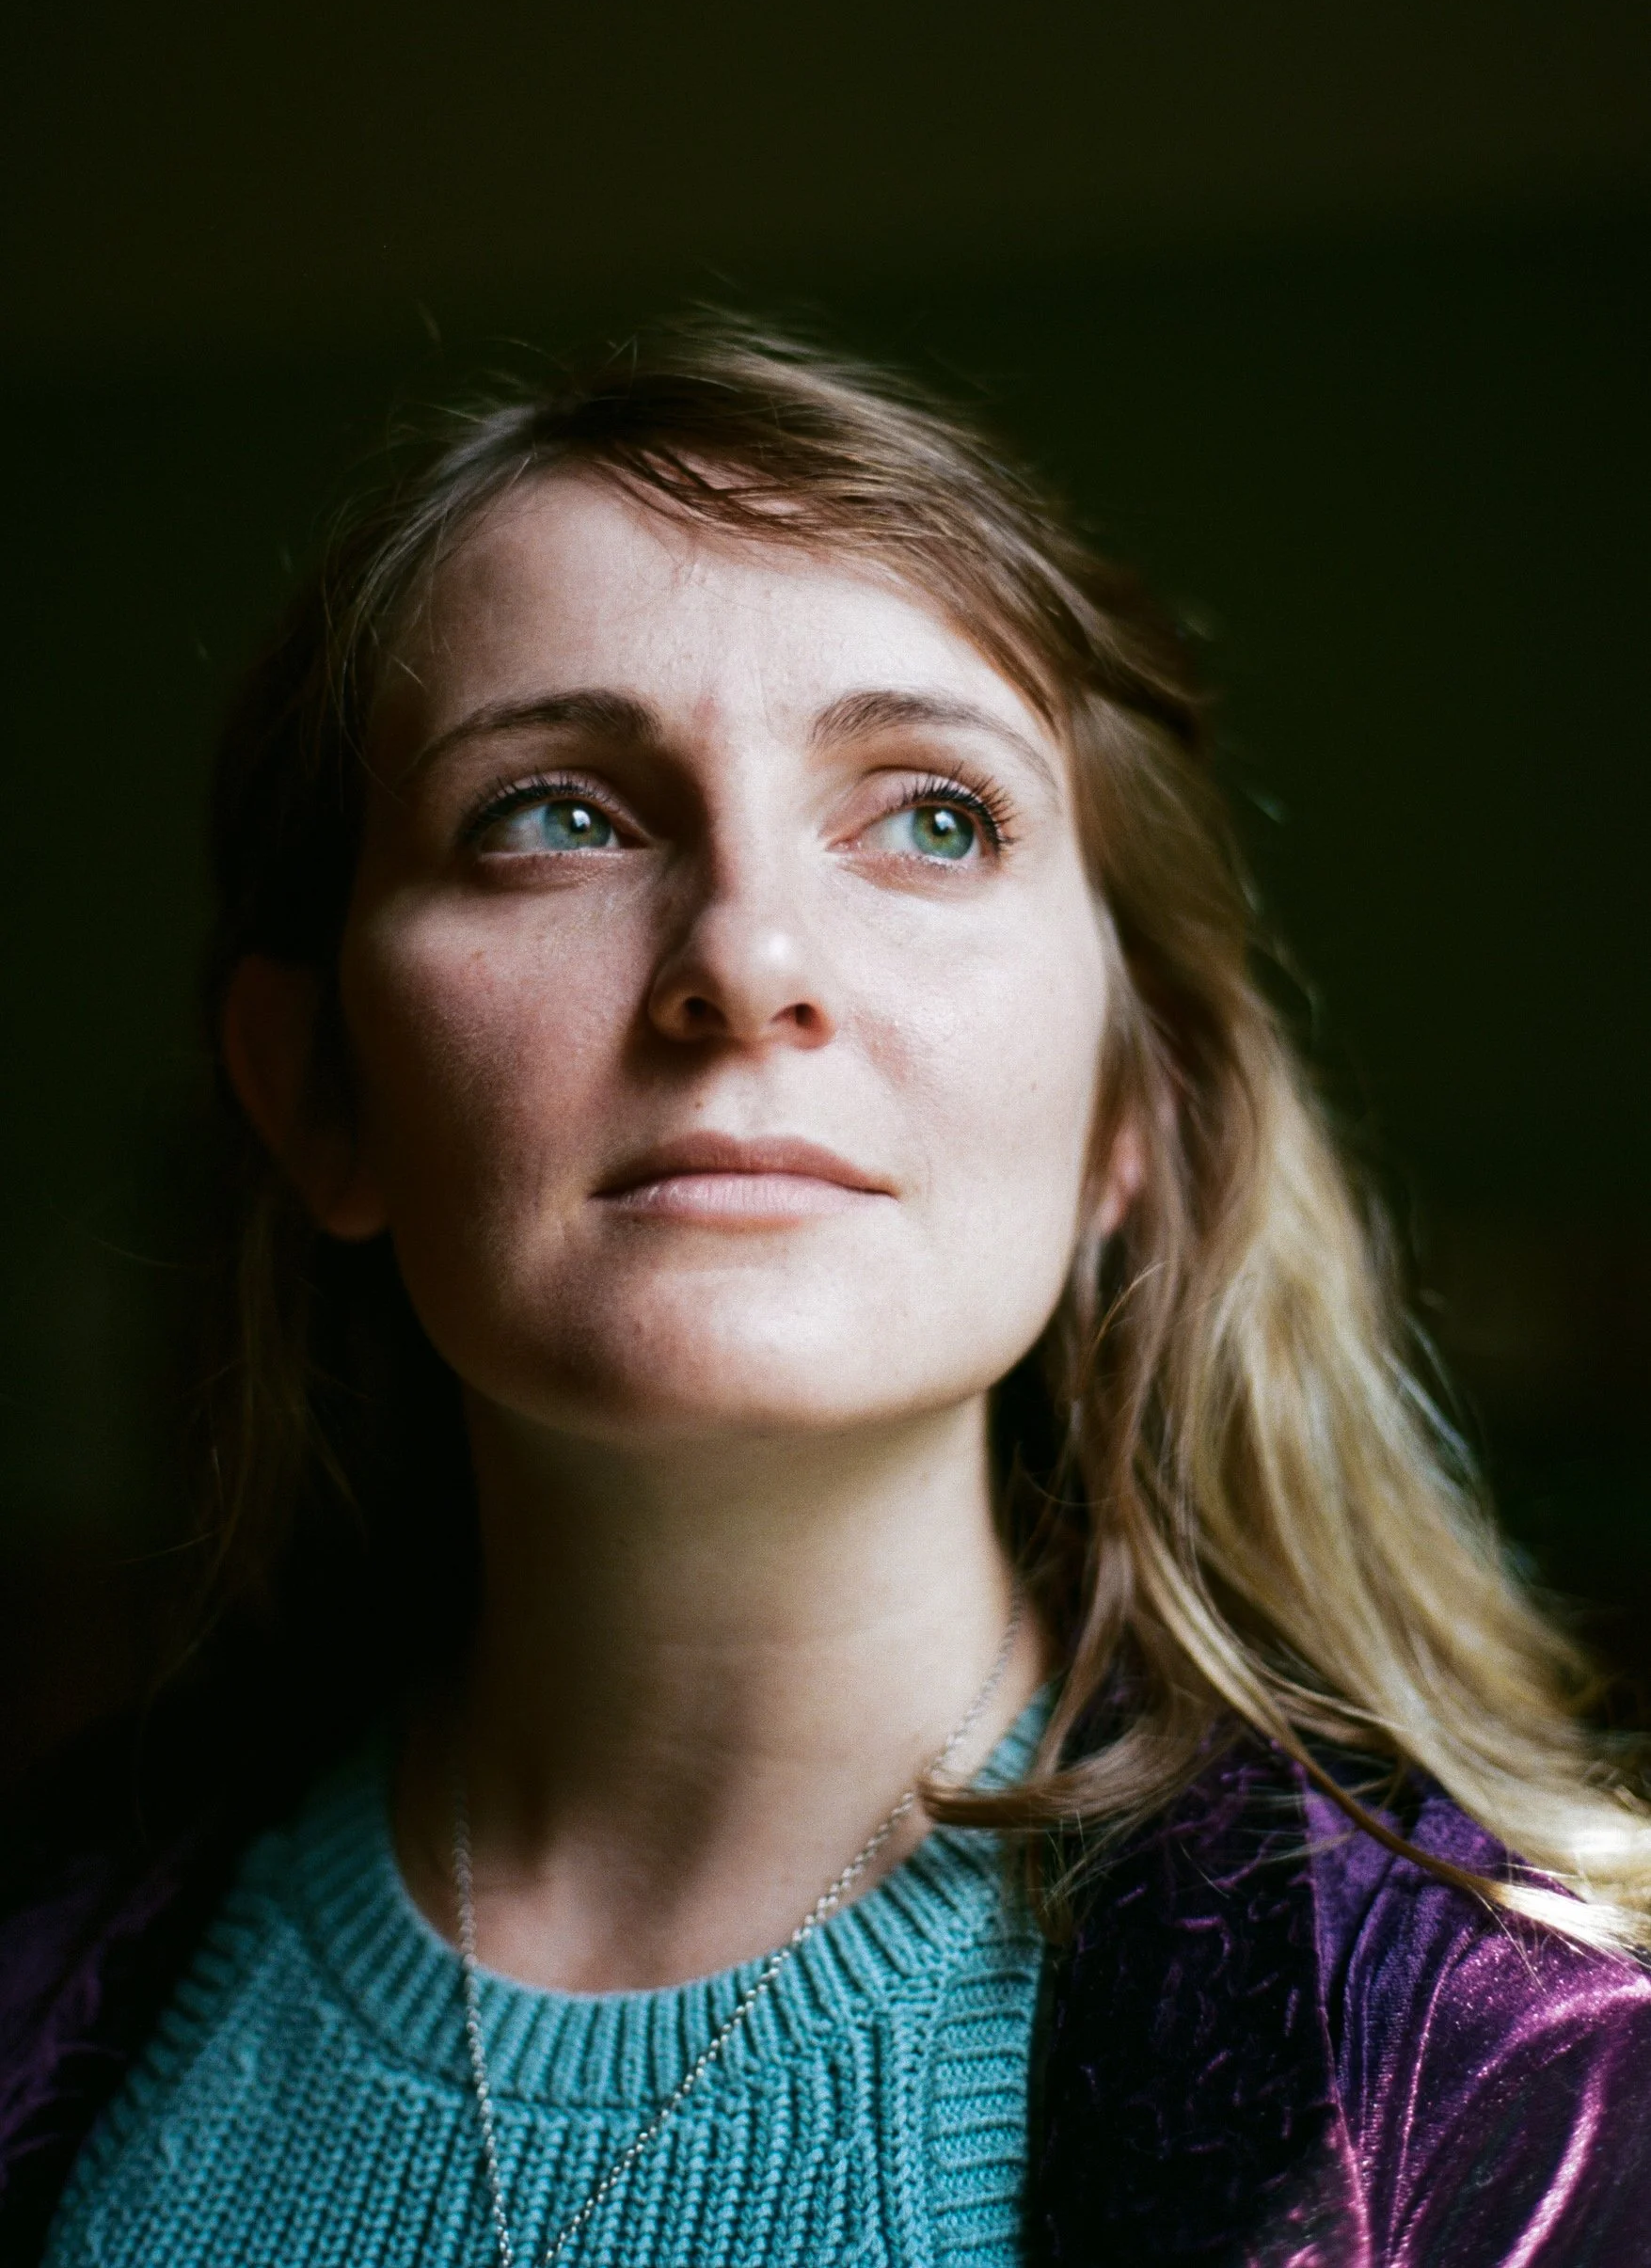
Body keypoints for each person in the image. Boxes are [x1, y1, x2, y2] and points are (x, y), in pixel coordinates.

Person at [4, 317, 1649, 2268]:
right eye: (555, 813)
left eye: (932, 817)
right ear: (318, 1095)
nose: (749, 956)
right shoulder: (43, 1984)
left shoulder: (1495, 2085)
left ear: (1131, 1103)